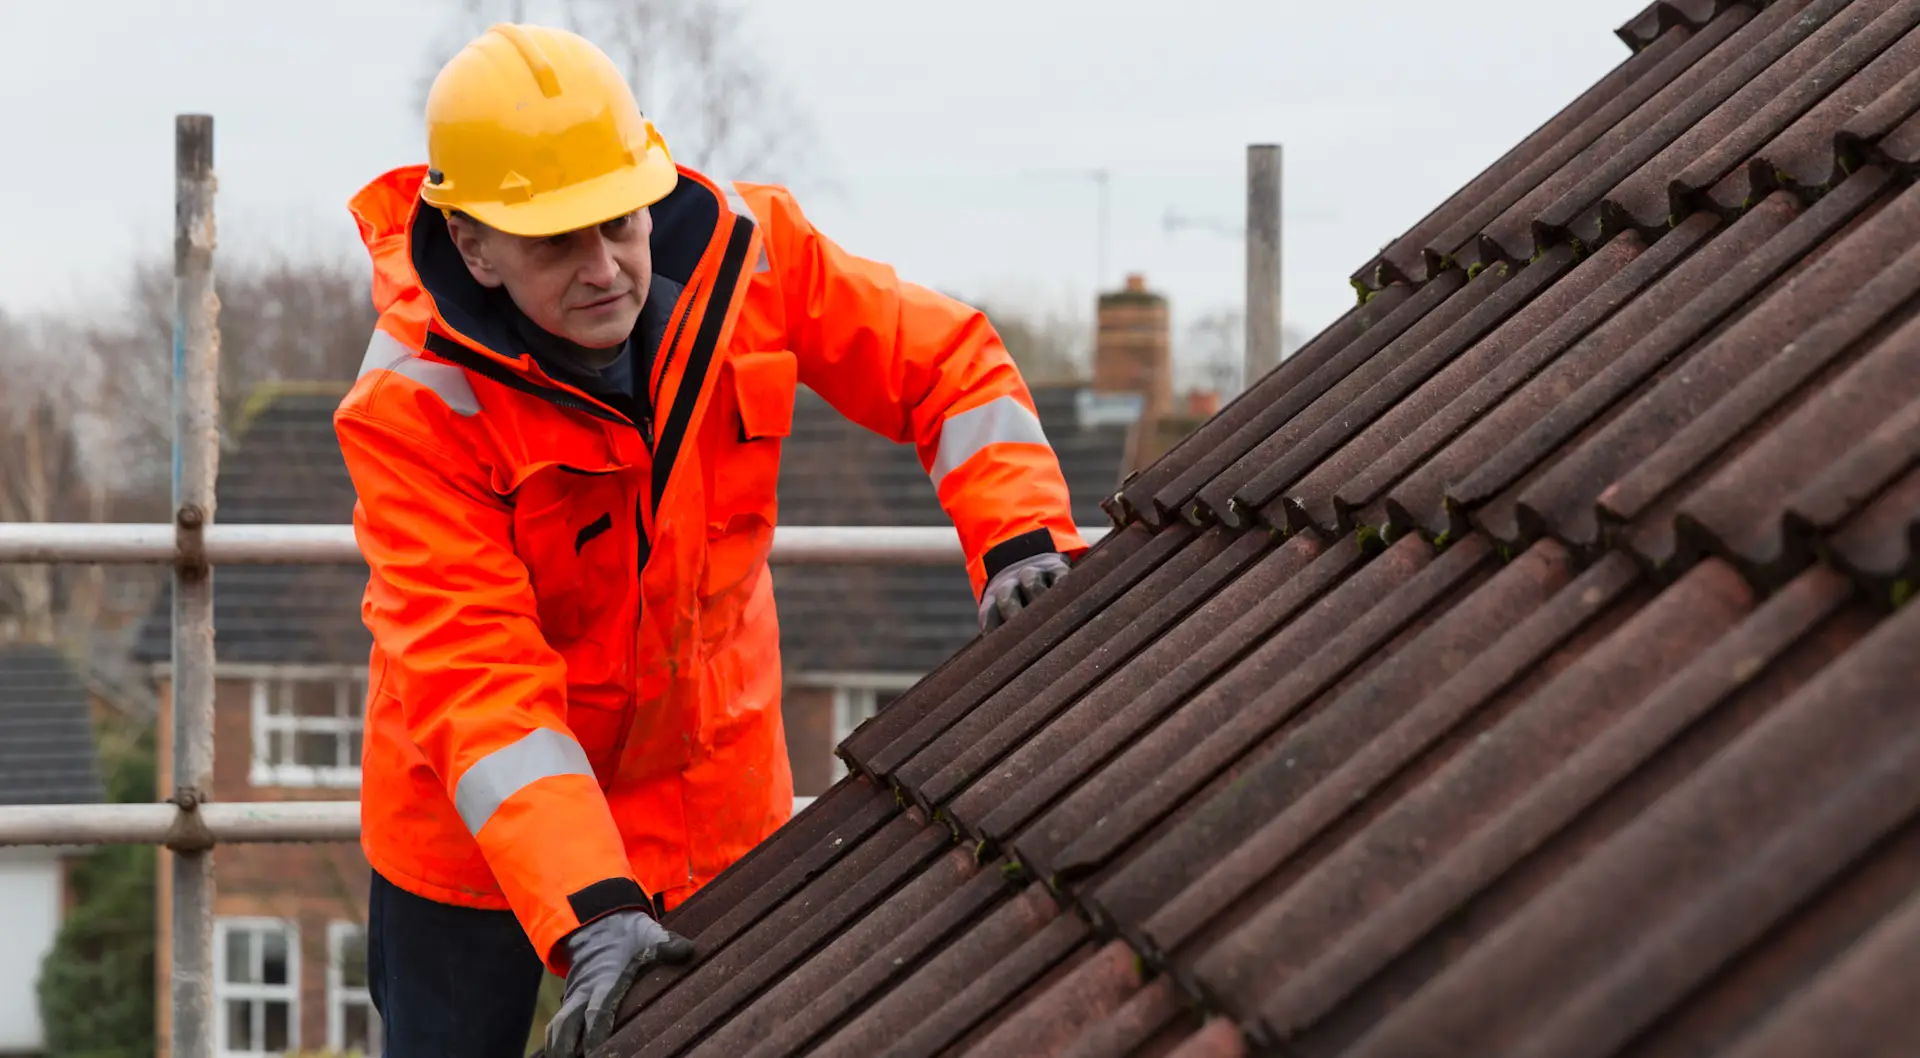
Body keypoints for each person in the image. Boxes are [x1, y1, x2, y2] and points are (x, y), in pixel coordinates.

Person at [334, 21, 1086, 1058]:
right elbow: (478, 679)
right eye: (558, 240)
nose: (603, 268)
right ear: (473, 245)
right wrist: (590, 901)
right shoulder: (414, 407)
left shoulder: (754, 261)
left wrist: (1021, 534)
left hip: (707, 808)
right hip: (471, 841)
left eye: (620, 225)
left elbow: (945, 362)